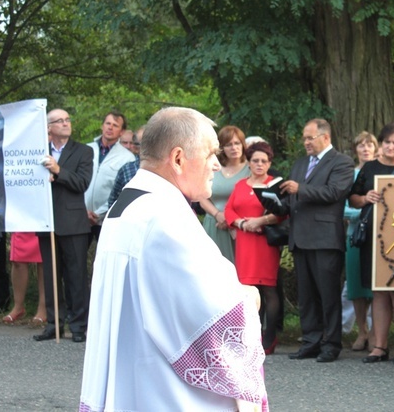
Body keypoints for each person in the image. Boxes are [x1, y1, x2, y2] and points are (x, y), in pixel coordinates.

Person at [80, 107, 267, 411]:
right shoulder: (165, 218)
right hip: (167, 394)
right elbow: (214, 310)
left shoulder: (128, 203)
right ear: (178, 158)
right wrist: (251, 297)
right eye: (210, 154)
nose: (217, 165)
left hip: (134, 384)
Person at [261, 119, 355, 363]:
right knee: (306, 296)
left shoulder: (341, 162)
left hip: (325, 238)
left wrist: (299, 189)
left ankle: (331, 344)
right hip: (300, 237)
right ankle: (311, 341)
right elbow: (293, 200)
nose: (305, 142)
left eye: (310, 137)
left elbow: (334, 193)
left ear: (325, 137)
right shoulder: (301, 163)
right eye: (304, 137)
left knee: (328, 294)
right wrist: (273, 201)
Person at [349, 123, 394, 366]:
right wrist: (365, 198)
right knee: (378, 293)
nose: (389, 146)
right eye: (386, 142)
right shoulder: (369, 167)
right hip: (373, 239)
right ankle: (379, 346)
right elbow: (353, 198)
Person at [34, 109, 94, 343]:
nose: (66, 123)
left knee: (76, 276)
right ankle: (53, 324)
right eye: (59, 121)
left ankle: (78, 325)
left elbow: (82, 183)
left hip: (73, 222)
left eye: (68, 119)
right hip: (46, 221)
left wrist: (58, 172)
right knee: (51, 276)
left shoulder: (83, 151)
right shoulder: (38, 152)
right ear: (48, 127)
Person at [223, 141, 283, 355]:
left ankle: (269, 336)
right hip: (245, 242)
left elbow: (283, 212)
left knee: (268, 289)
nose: (259, 164)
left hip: (265, 242)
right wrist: (240, 223)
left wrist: (261, 221)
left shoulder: (274, 184)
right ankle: (251, 335)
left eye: (264, 161)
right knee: (247, 290)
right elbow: (229, 209)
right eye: (255, 160)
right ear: (248, 162)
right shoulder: (240, 185)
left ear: (269, 163)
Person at [344, 131, 377, 352]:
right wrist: (365, 208)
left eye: (369, 145)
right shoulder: (351, 175)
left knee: (378, 287)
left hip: (380, 237)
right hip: (355, 236)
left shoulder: (381, 172)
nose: (365, 149)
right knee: (356, 286)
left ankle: (376, 332)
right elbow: (344, 209)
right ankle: (362, 331)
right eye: (361, 146)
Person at [199, 126, 251, 263]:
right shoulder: (214, 167)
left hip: (240, 228)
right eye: (228, 145)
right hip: (215, 225)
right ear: (221, 148)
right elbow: (201, 196)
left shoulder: (252, 168)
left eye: (237, 143)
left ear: (243, 145)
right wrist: (217, 214)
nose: (234, 148)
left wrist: (230, 219)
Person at [85, 111, 135, 237]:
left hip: (106, 220)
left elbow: (122, 192)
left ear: (122, 132)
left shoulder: (127, 158)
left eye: (115, 125)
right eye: (108, 123)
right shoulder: (86, 150)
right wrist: (82, 211)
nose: (110, 127)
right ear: (102, 126)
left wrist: (99, 214)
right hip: (81, 216)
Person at [2, 232, 46, 324]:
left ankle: (43, 307)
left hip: (41, 219)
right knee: (18, 259)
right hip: (23, 219)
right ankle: (18, 307)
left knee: (44, 258)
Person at [106, 126, 146, 209]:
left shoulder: (168, 168)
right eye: (144, 143)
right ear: (135, 147)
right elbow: (113, 202)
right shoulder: (127, 170)